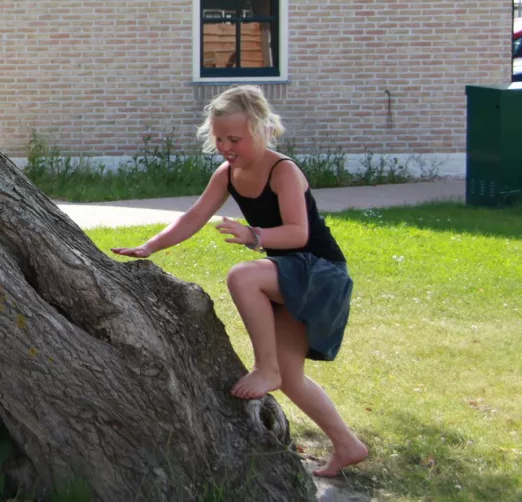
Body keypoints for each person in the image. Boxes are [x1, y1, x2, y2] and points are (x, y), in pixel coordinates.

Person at [110, 86, 369, 477]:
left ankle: (265, 367)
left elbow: (298, 234)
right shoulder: (228, 174)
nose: (227, 147)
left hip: (320, 271)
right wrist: (150, 245)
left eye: (235, 138)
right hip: (289, 273)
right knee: (292, 378)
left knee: (243, 276)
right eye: (219, 139)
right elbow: (194, 216)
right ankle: (348, 445)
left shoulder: (283, 170)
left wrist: (255, 236)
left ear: (262, 130)